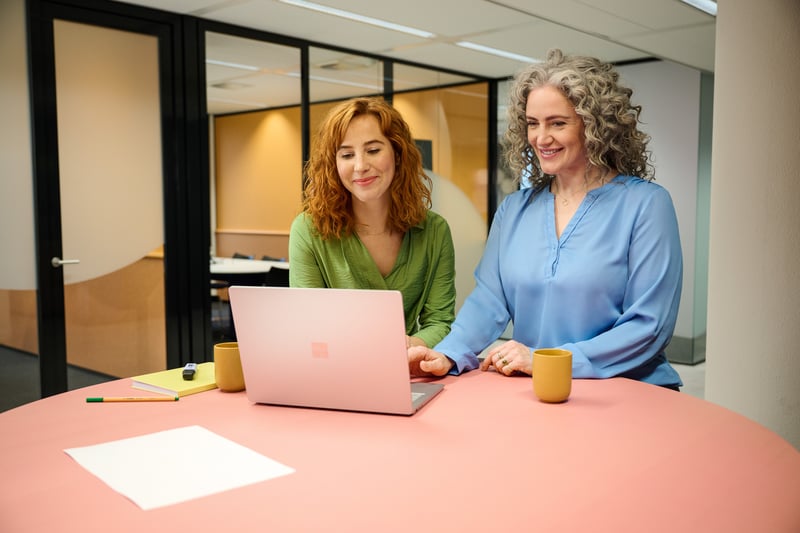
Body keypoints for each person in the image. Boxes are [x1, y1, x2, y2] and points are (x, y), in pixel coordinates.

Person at [408, 49, 684, 390]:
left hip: (627, 391)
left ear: (595, 126)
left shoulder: (646, 205)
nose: (541, 137)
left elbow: (649, 325)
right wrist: (449, 353)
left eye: (557, 123)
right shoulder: (514, 210)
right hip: (542, 390)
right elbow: (488, 302)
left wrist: (548, 359)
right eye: (532, 123)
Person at [289, 97, 456, 352]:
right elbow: (308, 324)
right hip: (335, 367)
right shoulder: (308, 229)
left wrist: (408, 346)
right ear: (334, 164)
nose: (360, 166)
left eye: (373, 150)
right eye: (347, 155)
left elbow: (440, 322)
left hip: (407, 365)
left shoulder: (435, 231)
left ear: (397, 154)